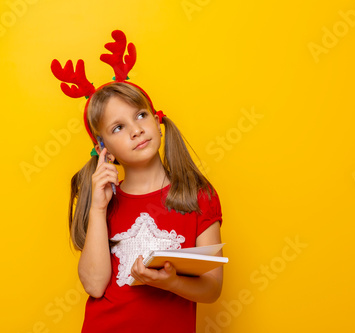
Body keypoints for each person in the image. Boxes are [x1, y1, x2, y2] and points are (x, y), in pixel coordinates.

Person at [52, 30, 223, 333]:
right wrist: (97, 208)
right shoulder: (105, 202)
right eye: (118, 127)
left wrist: (171, 282)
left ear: (157, 120)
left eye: (141, 115)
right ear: (103, 148)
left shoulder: (199, 196)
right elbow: (93, 285)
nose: (136, 130)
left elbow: (212, 289)